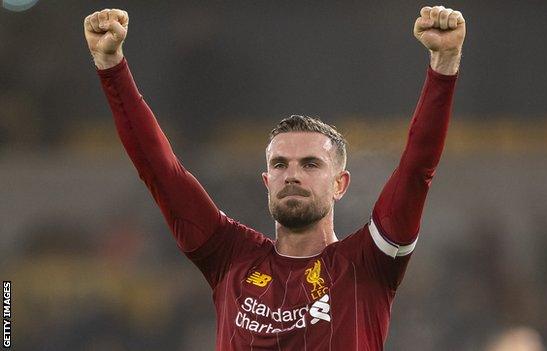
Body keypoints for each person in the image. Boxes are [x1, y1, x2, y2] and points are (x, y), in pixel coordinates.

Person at [84, 5, 465, 350]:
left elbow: (417, 169)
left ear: (340, 184)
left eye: (311, 164)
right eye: (280, 164)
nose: (292, 175)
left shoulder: (367, 263)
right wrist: (111, 66)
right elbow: (160, 170)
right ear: (267, 182)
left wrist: (444, 66)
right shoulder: (230, 257)